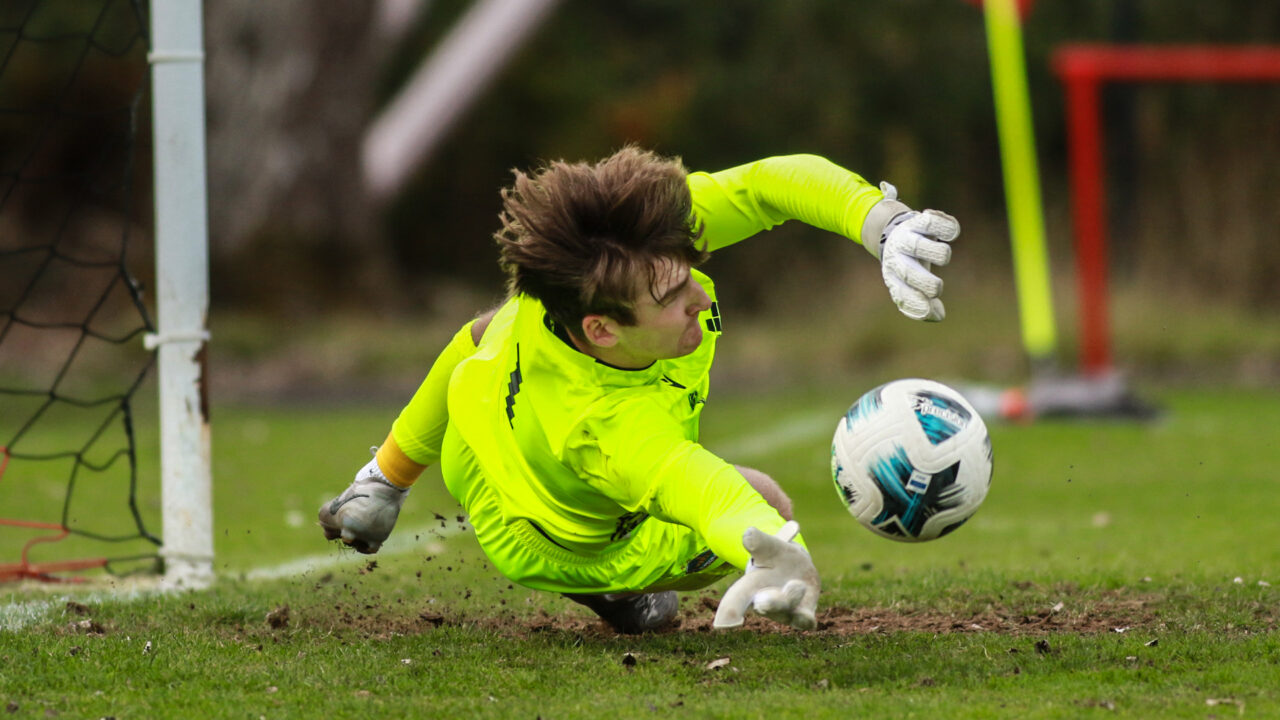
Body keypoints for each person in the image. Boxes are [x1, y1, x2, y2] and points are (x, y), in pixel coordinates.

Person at [319, 147, 959, 633]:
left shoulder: (607, 268)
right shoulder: (604, 425)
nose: (700, 295)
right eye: (670, 299)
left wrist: (881, 222)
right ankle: (615, 592)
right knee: (769, 497)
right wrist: (776, 544)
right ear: (601, 331)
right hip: (549, 540)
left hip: (474, 439)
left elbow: (768, 185)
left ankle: (379, 482)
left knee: (490, 332)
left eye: (690, 274)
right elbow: (695, 484)